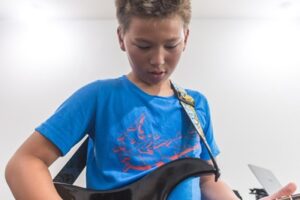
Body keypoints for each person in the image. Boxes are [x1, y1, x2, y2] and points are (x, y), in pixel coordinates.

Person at [5, 0, 297, 199]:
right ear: (121, 38)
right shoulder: (99, 96)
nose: (158, 60)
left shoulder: (196, 105)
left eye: (171, 45)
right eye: (143, 45)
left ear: (187, 38)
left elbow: (208, 180)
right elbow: (24, 163)